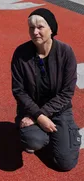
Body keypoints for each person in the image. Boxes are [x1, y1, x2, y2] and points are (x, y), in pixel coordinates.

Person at [11, 8, 81, 171]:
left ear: (51, 28)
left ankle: (67, 133)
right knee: (32, 140)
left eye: (40, 27)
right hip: (31, 110)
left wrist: (42, 115)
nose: (35, 32)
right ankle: (50, 134)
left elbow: (67, 93)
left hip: (59, 110)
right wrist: (39, 116)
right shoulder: (21, 54)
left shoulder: (66, 53)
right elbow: (18, 91)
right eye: (31, 28)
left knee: (65, 164)